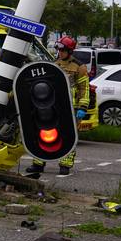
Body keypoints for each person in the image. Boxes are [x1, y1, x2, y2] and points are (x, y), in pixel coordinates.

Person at [26, 36, 89, 177]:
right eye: (58, 49)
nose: (59, 52)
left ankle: (65, 165)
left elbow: (83, 89)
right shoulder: (54, 64)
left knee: (68, 136)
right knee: (44, 132)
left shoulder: (79, 67)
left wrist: (82, 108)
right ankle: (38, 163)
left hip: (71, 107)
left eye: (62, 49)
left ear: (69, 50)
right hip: (53, 105)